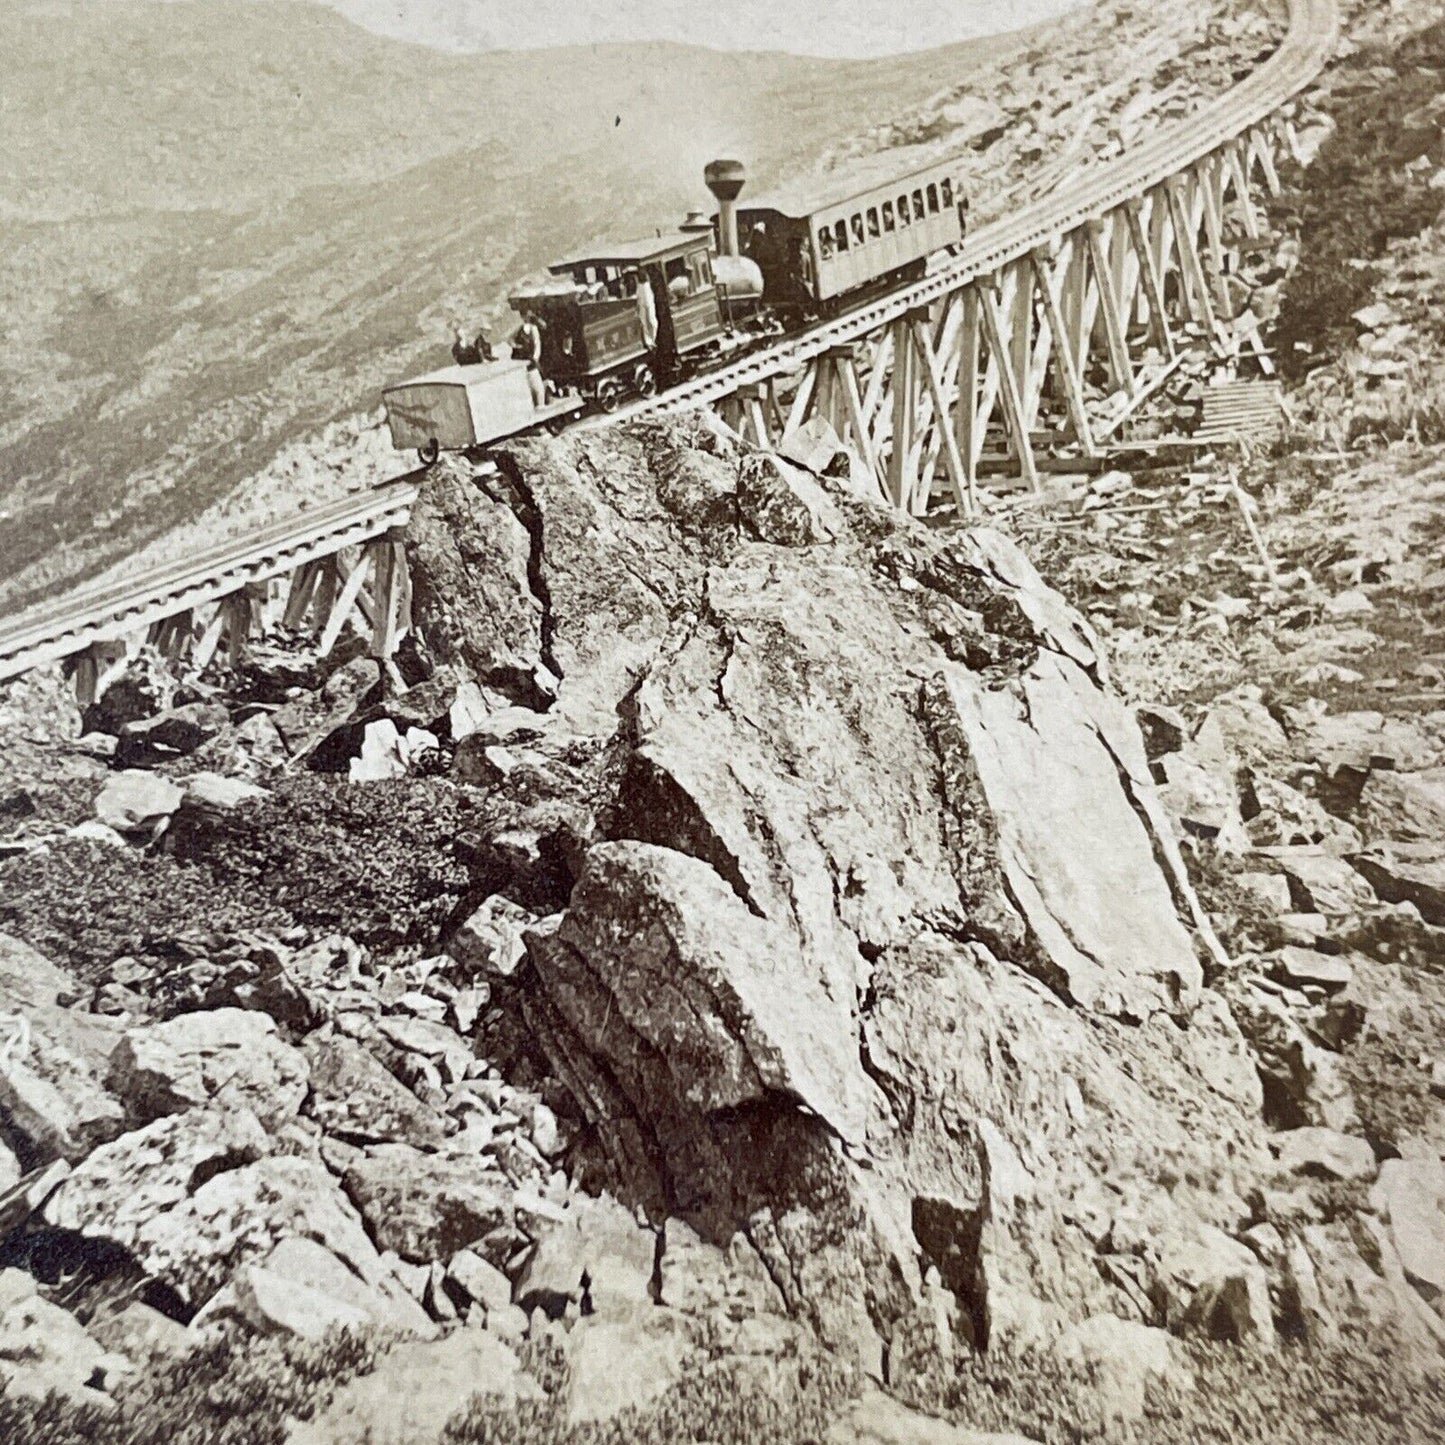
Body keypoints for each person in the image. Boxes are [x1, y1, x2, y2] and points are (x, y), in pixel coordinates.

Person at [513, 313, 546, 406]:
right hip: (525, 362)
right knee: (534, 388)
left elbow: (537, 345)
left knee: (537, 387)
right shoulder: (521, 329)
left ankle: (540, 405)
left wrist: (535, 358)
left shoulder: (532, 328)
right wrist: (517, 346)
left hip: (529, 361)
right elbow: (511, 340)